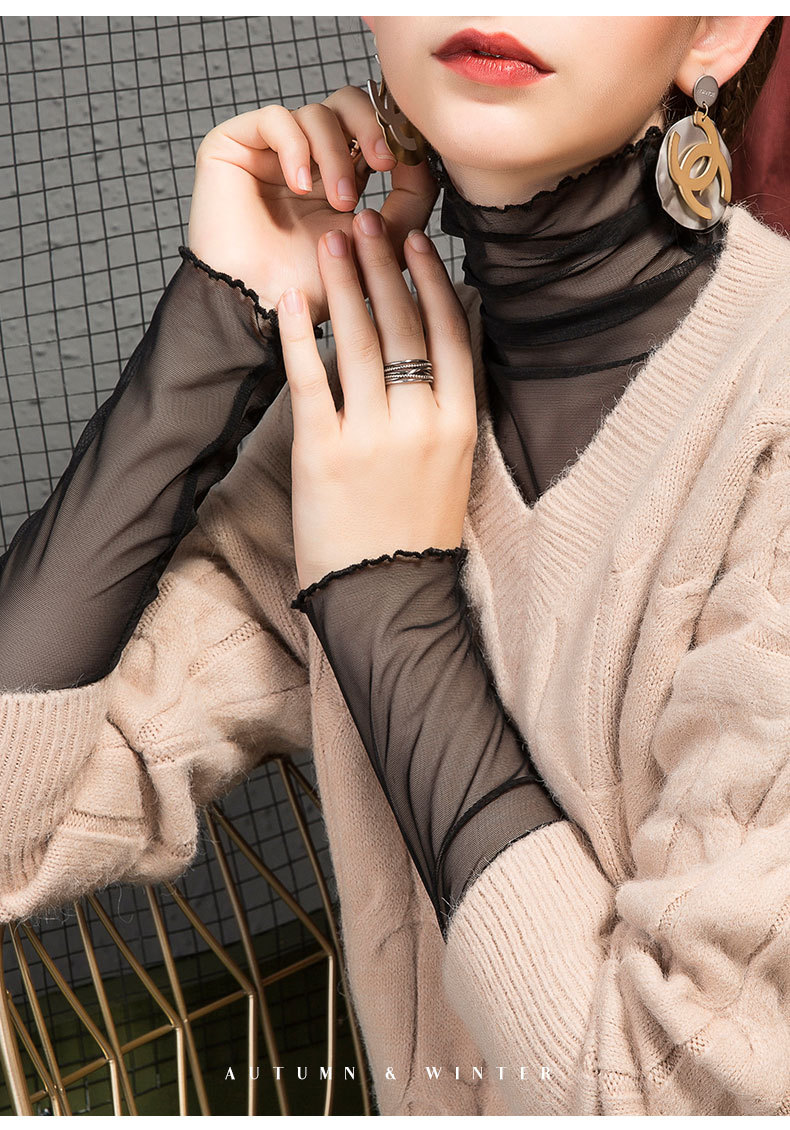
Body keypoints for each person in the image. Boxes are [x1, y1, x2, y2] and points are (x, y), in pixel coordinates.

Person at [1, 15, 788, 1117]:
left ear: (721, 26)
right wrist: (222, 316)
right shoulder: (369, 422)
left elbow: (681, 1099)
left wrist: (387, 600)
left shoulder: (768, 427)